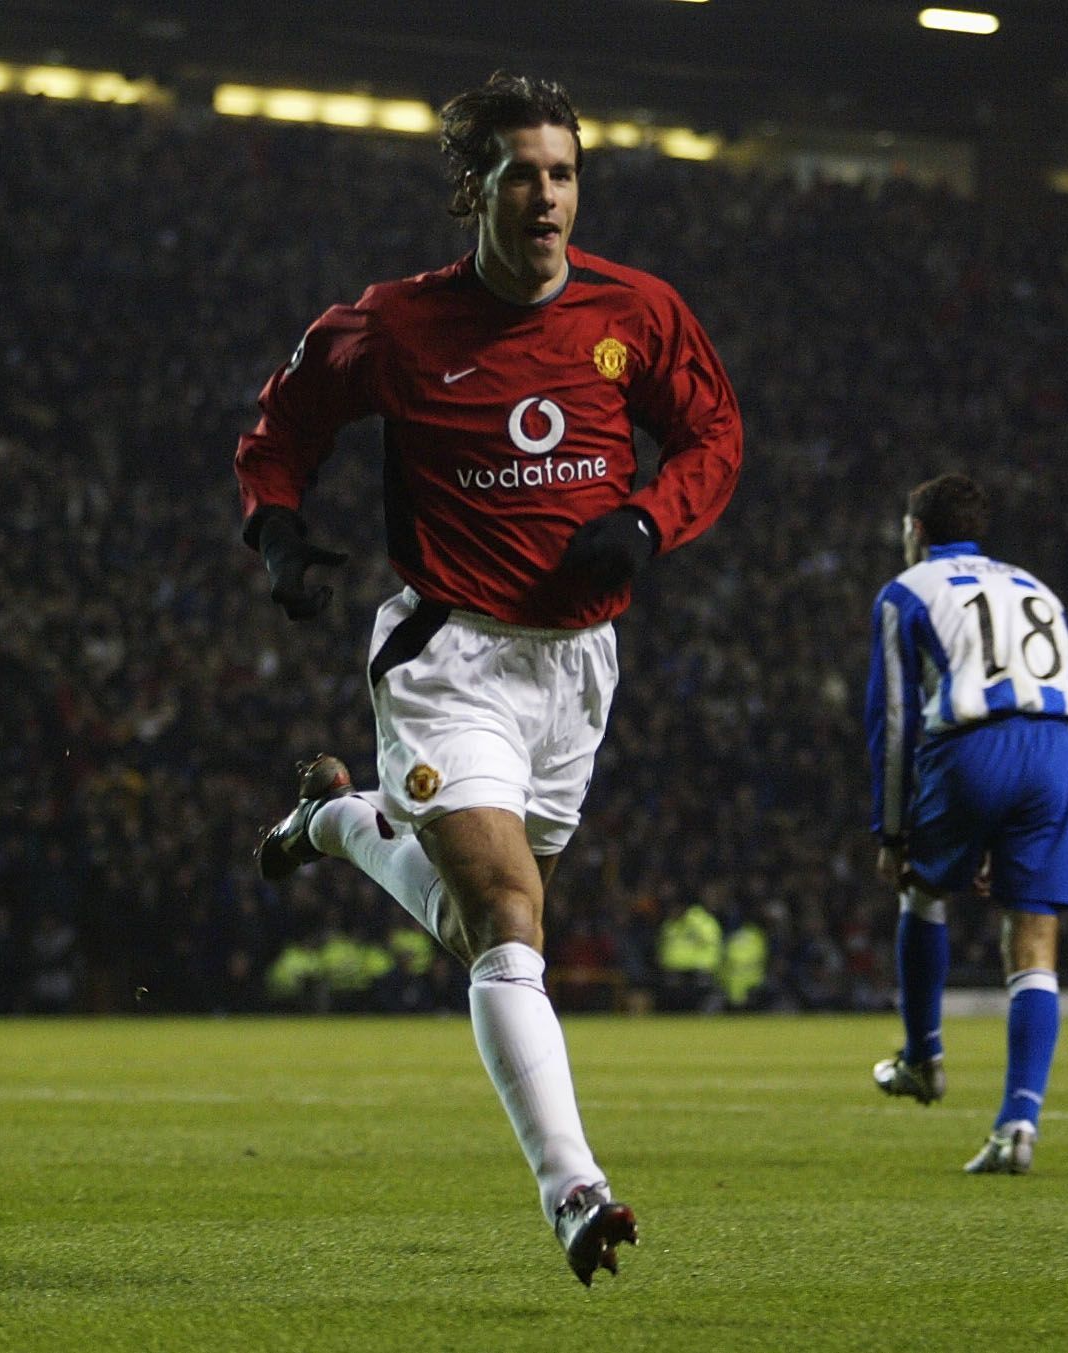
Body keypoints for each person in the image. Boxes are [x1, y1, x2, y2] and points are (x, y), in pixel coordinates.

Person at [235, 71, 742, 1283]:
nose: (548, 197)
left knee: (483, 931)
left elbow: (714, 436)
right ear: (473, 188)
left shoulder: (641, 311)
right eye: (524, 175)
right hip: (449, 656)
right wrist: (280, 531)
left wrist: (648, 521)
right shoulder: (393, 325)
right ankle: (576, 1189)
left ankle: (348, 826)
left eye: (564, 174)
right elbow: (281, 427)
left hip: (577, 674)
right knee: (513, 922)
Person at [863, 474, 1068, 1174]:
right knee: (1035, 934)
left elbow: (894, 718)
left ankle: (922, 1058)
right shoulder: (1035, 586)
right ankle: (1019, 1123)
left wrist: (891, 830)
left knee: (921, 889)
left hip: (972, 744)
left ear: (916, 529)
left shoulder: (907, 591)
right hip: (1057, 748)